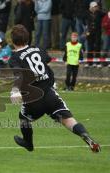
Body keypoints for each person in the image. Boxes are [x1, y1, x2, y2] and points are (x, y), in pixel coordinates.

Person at [9, 24, 100, 153]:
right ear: (28, 39)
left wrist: (15, 90)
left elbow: (19, 74)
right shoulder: (38, 49)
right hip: (50, 94)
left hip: (33, 99)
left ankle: (28, 143)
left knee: (23, 117)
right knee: (68, 120)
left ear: (13, 41)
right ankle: (84, 135)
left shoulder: (14, 58)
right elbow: (47, 60)